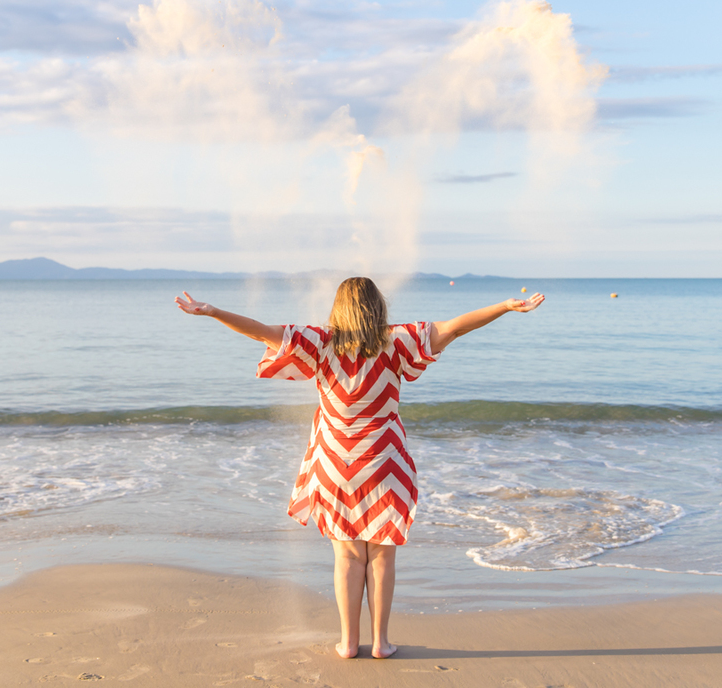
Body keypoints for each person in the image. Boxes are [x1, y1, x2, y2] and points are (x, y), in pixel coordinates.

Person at [175, 277, 544, 659]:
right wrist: (503, 307)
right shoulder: (397, 341)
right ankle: (381, 643)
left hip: (334, 462)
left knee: (347, 557)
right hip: (384, 461)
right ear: (377, 306)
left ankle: (349, 642)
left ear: (338, 308)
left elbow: (261, 333)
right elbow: (454, 327)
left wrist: (214, 312)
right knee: (382, 555)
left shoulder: (319, 342)